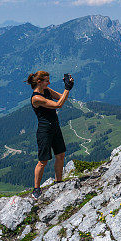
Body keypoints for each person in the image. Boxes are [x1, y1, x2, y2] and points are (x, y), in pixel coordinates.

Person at [27, 70, 73, 200]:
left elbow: (60, 97)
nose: (49, 82)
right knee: (43, 161)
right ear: (39, 82)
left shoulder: (46, 90)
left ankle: (59, 182)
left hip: (55, 127)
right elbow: (58, 105)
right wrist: (67, 88)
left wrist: (67, 88)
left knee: (60, 155)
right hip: (44, 130)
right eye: (47, 80)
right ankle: (36, 188)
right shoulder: (36, 98)